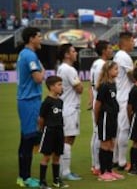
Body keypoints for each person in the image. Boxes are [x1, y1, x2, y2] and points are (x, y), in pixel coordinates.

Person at [16, 27, 45, 188]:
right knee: (28, 140)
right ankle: (25, 178)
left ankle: (23, 176)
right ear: (31, 38)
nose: (41, 39)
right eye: (39, 36)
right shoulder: (30, 55)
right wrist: (42, 70)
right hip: (29, 101)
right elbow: (39, 78)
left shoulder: (23, 54)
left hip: (27, 100)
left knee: (26, 140)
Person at [57, 44, 83, 180]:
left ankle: (63, 170)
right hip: (70, 108)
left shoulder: (60, 68)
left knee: (66, 139)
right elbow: (79, 88)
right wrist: (80, 85)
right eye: (73, 51)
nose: (76, 53)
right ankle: (65, 172)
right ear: (67, 54)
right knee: (68, 139)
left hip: (64, 106)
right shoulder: (70, 69)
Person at [94, 61, 124, 181]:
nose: (117, 71)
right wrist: (97, 120)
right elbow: (98, 104)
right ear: (108, 71)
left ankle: (110, 170)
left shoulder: (113, 84)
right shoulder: (104, 85)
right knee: (105, 143)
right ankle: (103, 172)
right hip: (105, 117)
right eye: (115, 69)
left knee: (112, 143)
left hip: (113, 116)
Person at [38, 76, 68, 189]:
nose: (61, 87)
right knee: (47, 156)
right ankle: (42, 182)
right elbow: (41, 119)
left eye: (61, 84)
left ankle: (56, 180)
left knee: (57, 156)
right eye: (59, 85)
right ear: (51, 87)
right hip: (49, 131)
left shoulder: (60, 101)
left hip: (59, 131)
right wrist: (42, 130)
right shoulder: (47, 102)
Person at [89, 40, 113, 176]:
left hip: (99, 101)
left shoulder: (96, 64)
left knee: (98, 133)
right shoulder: (102, 65)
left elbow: (92, 85)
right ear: (104, 51)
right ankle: (97, 165)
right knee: (99, 134)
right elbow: (99, 85)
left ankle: (97, 164)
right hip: (102, 103)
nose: (111, 50)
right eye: (109, 48)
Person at [113, 32, 135, 171]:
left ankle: (115, 159)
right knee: (125, 128)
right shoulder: (124, 56)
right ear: (124, 42)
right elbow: (131, 76)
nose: (133, 43)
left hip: (120, 94)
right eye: (132, 41)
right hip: (125, 96)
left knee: (120, 128)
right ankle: (122, 161)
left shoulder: (118, 56)